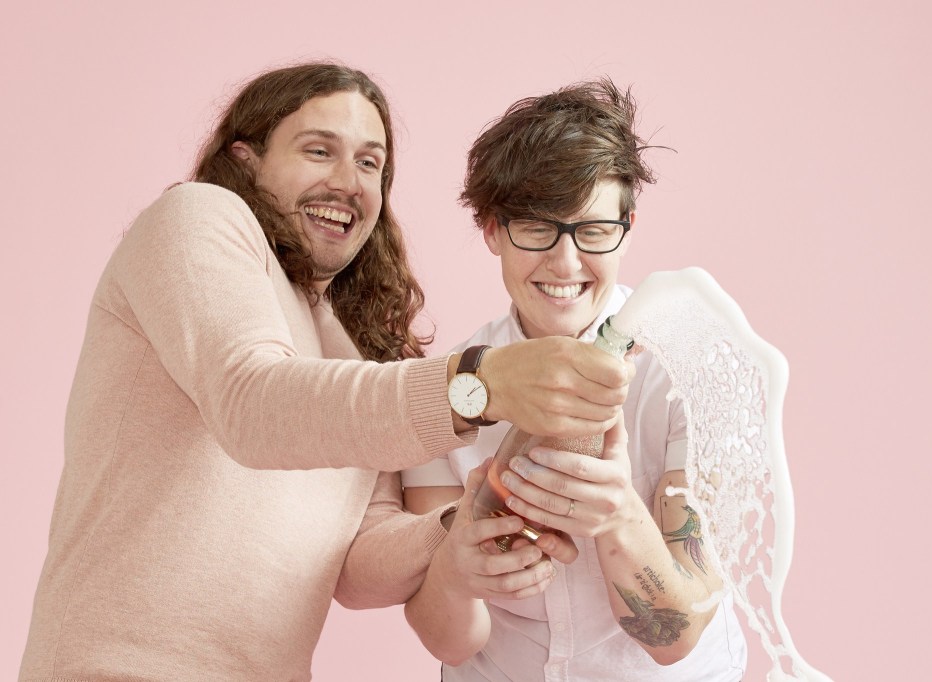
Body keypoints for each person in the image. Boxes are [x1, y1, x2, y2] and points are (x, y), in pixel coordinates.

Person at [19, 62, 632, 682]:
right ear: (246, 159)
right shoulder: (198, 218)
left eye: (371, 164)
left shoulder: (347, 346)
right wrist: (479, 383)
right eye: (319, 151)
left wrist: (463, 520)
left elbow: (356, 568)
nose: (349, 183)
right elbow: (253, 404)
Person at [402, 79, 748, 680]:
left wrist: (616, 514)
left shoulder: (692, 369)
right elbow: (451, 644)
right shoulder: (446, 394)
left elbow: (676, 636)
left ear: (628, 225)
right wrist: (456, 573)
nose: (565, 264)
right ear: (490, 228)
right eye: (536, 227)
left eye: (592, 230)